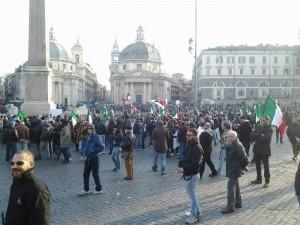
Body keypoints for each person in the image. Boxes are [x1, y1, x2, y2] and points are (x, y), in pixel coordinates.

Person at [5, 150, 50, 225]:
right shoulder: (16, 183)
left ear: (31, 164)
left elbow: (41, 221)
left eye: (19, 163)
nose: (14, 166)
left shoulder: (37, 189)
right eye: (12, 163)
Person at [178, 128, 203, 224]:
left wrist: (184, 169)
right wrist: (181, 164)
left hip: (193, 174)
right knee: (191, 194)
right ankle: (197, 213)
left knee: (192, 195)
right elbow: (187, 158)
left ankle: (194, 216)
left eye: (189, 135)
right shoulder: (190, 144)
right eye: (187, 135)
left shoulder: (197, 147)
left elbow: (195, 164)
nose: (186, 136)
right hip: (190, 173)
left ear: (195, 136)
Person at [221, 130, 248, 214]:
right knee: (236, 187)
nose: (229, 138)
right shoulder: (231, 144)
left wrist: (241, 168)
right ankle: (238, 203)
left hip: (235, 170)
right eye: (228, 136)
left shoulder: (238, 145)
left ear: (235, 137)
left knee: (230, 188)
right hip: (232, 169)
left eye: (230, 136)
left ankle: (230, 206)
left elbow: (245, 159)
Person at [79, 124, 105, 195]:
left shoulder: (97, 137)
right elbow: (84, 145)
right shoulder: (86, 137)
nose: (89, 130)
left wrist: (93, 150)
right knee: (85, 174)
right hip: (88, 158)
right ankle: (86, 189)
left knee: (95, 174)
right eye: (88, 129)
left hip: (95, 158)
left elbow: (102, 147)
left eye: (91, 129)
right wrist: (83, 150)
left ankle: (99, 189)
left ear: (93, 129)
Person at [250, 116, 273, 188]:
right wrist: (260, 134)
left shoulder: (269, 129)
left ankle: (267, 181)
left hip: (265, 150)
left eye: (263, 120)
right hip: (257, 149)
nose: (262, 121)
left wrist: (258, 135)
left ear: (267, 121)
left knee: (266, 166)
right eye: (261, 120)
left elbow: (267, 138)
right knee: (257, 165)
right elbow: (251, 135)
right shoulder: (258, 127)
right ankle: (259, 179)